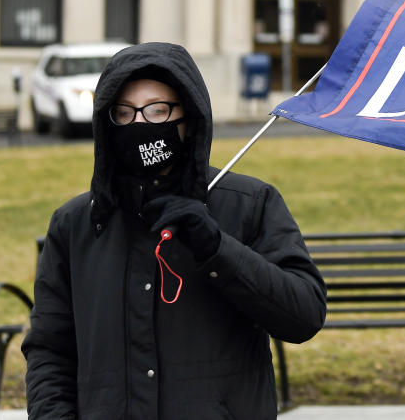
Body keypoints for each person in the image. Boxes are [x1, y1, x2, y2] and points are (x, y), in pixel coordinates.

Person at [22, 42, 327, 419]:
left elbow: (303, 316)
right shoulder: (75, 224)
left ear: (189, 116)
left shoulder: (250, 203)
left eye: (157, 110)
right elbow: (51, 350)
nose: (140, 124)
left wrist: (217, 249)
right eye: (124, 113)